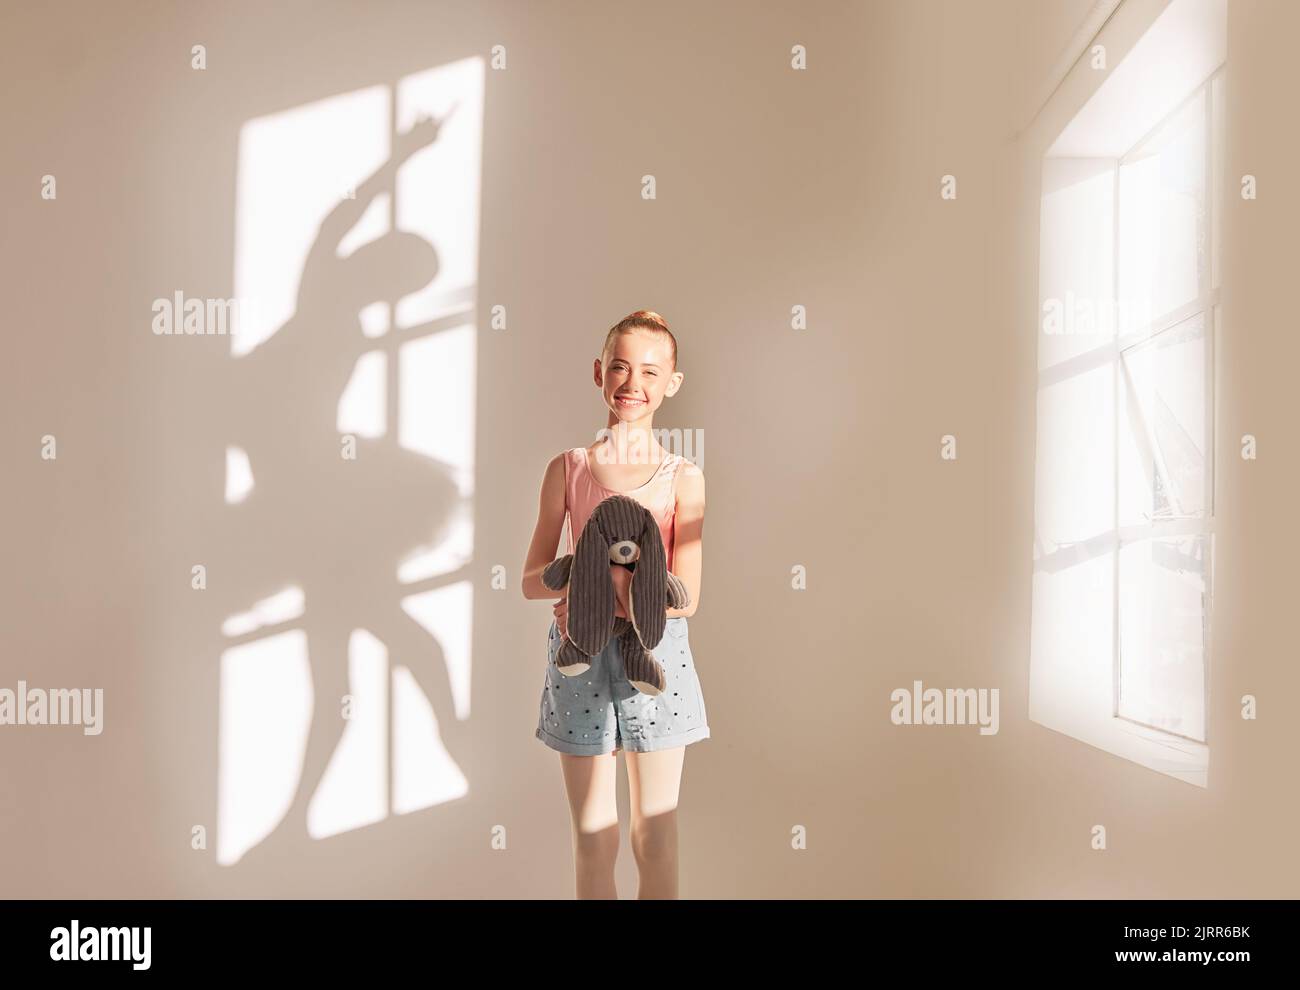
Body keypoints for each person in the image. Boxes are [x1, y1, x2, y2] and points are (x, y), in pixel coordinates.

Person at [521, 310, 708, 899]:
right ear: (599, 372)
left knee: (655, 833)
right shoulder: (569, 468)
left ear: (672, 383)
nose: (634, 384)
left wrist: (609, 588)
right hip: (580, 658)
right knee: (593, 834)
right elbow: (531, 578)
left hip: (658, 660)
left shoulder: (683, 477)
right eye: (622, 368)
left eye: (651, 372)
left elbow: (688, 598)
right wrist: (580, 589)